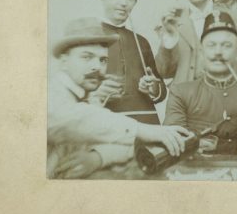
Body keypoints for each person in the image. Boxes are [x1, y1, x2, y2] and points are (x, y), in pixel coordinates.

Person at [48, 17, 190, 179]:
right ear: (64, 61)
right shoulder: (52, 95)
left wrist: (98, 157)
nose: (97, 66)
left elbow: (127, 145)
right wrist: (146, 130)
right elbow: (81, 119)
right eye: (86, 57)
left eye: (103, 60)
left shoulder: (87, 97)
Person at [164, 11, 237, 154]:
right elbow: (173, 142)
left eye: (226, 45)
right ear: (201, 53)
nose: (218, 52)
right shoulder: (181, 92)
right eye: (211, 45)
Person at [96, 0, 167, 125]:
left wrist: (153, 87)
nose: (123, 3)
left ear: (135, 2)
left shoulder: (141, 41)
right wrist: (96, 92)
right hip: (104, 125)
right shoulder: (88, 37)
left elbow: (160, 91)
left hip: (144, 124)